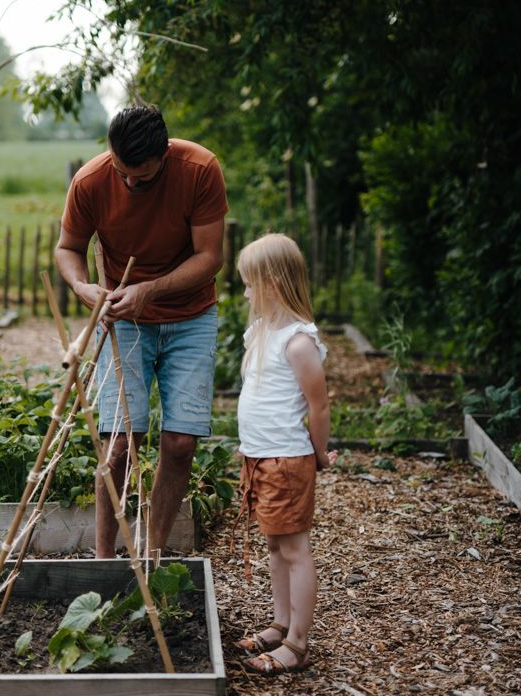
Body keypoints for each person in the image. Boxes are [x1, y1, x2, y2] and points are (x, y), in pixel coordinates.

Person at [55, 104, 227, 559]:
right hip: (123, 321)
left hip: (190, 317)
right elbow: (68, 248)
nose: (131, 184)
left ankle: (152, 554)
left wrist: (150, 290)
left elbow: (210, 257)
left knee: (180, 442)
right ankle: (104, 561)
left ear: (165, 155)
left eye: (143, 179)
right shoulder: (90, 181)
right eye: (122, 173)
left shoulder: (200, 169)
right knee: (120, 446)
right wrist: (82, 286)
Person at [232, 232, 336, 675]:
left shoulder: (298, 341)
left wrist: (318, 454)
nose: (246, 292)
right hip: (260, 457)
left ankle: (297, 643)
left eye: (250, 283)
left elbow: (319, 405)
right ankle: (280, 621)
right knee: (275, 544)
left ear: (272, 283)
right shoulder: (260, 332)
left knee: (294, 549)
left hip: (287, 460)